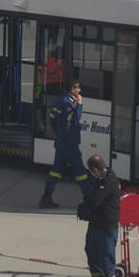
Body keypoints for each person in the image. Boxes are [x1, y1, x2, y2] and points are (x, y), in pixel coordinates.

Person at [80, 155, 121, 277]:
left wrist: (89, 196)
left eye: (91, 172)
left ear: (95, 170)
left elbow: (94, 200)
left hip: (106, 229)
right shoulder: (97, 181)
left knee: (107, 266)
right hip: (95, 226)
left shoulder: (109, 180)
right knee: (94, 262)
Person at [40, 80, 89, 209]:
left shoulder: (59, 101)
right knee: (80, 171)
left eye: (79, 87)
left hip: (61, 142)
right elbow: (74, 120)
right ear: (71, 89)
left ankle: (46, 196)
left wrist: (59, 134)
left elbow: (52, 119)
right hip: (70, 144)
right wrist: (79, 105)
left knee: (56, 171)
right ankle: (90, 198)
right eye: (76, 87)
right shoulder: (68, 103)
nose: (79, 90)